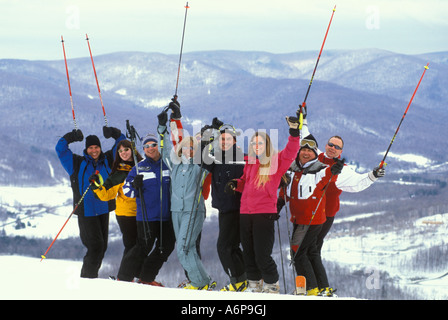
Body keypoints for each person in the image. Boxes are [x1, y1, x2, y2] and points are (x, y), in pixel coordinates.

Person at [279, 113, 386, 296]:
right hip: (305, 212)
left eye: (337, 147)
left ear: (341, 152)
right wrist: (302, 120)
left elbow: (358, 183)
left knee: (307, 250)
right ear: (325, 146)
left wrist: (373, 175)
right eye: (330, 144)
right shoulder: (316, 157)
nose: (333, 148)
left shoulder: (341, 170)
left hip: (324, 216)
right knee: (311, 251)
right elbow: (306, 139)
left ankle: (315, 287)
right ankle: (320, 287)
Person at [225, 115, 302, 293]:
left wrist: (293, 132)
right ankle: (254, 284)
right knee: (249, 253)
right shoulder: (250, 163)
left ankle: (271, 285)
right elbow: (245, 182)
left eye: (260, 143)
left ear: (267, 145)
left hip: (263, 215)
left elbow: (291, 151)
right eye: (254, 143)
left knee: (262, 254)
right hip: (245, 213)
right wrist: (236, 184)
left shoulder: (275, 162)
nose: (256, 146)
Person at [158, 101, 215, 290]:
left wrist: (211, 134)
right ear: (181, 149)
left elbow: (210, 153)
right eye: (186, 147)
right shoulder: (175, 165)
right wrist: (162, 126)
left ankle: (200, 283)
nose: (189, 150)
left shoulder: (201, 166)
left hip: (193, 211)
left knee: (182, 249)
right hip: (176, 211)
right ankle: (204, 281)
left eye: (193, 148)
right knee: (187, 249)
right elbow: (165, 148)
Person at [55, 125, 125, 278]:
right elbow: (60, 149)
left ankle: (90, 278)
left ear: (100, 148)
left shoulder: (108, 160)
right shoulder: (76, 163)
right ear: (86, 149)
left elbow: (123, 145)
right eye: (90, 148)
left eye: (96, 147)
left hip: (103, 208)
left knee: (102, 247)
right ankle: (88, 280)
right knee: (95, 247)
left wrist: (114, 133)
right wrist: (70, 137)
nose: (94, 150)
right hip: (86, 211)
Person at [117, 127, 175, 286]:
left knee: (166, 247)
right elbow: (127, 191)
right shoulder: (138, 168)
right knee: (143, 247)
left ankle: (146, 277)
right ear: (143, 149)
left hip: (166, 216)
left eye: (153, 145)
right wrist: (135, 185)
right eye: (147, 146)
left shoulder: (168, 165)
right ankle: (123, 277)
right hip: (147, 216)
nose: (150, 148)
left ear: (158, 146)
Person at [199, 118, 247, 292]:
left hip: (238, 209)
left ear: (234, 141)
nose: (224, 141)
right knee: (231, 246)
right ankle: (244, 279)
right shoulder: (218, 157)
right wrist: (205, 140)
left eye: (228, 138)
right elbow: (202, 161)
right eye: (222, 138)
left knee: (224, 247)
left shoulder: (241, 157)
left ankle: (239, 280)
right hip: (225, 208)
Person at [89, 139, 143, 276]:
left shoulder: (142, 167)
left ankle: (136, 276)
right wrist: (95, 186)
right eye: (120, 151)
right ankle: (124, 277)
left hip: (144, 213)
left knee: (142, 246)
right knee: (132, 245)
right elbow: (106, 194)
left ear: (133, 150)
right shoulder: (119, 173)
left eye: (126, 149)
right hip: (126, 214)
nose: (123, 153)